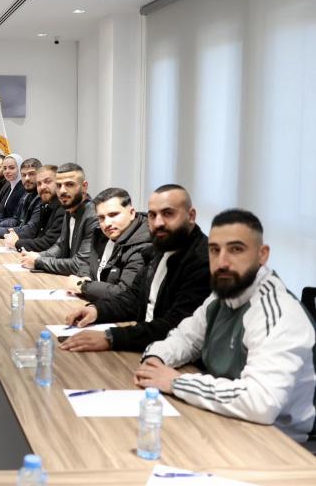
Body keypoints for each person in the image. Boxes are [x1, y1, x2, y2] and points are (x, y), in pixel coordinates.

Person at [135, 209, 315, 443]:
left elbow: (262, 402)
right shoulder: (223, 296)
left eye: (236, 249)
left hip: (279, 443)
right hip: (227, 420)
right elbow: (186, 337)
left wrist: (176, 382)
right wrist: (156, 359)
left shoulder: (277, 312)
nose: (222, 262)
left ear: (262, 255)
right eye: (214, 250)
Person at [60, 184, 210, 353]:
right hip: (146, 345)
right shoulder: (161, 247)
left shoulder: (202, 261)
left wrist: (111, 337)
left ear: (191, 216)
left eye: (168, 213)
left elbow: (176, 325)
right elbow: (132, 298)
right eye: (152, 215)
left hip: (171, 355)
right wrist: (97, 310)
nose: (158, 222)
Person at [63, 188, 152, 302]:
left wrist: (83, 286)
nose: (107, 223)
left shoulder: (143, 245)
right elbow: (87, 264)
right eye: (101, 218)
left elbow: (125, 293)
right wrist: (85, 277)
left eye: (113, 215)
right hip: (96, 304)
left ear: (131, 213)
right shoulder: (100, 235)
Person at [19, 162, 97, 277]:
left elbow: (81, 264)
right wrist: (37, 256)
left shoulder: (94, 217)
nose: (62, 191)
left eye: (69, 184)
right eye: (59, 185)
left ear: (84, 187)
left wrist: (38, 261)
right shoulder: (69, 209)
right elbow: (60, 246)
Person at [4, 165, 65, 252]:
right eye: (39, 183)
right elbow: (39, 237)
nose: (42, 187)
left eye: (47, 182)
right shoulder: (45, 205)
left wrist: (17, 242)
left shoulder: (63, 208)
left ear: (59, 184)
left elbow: (48, 243)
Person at [0, 158, 40, 237]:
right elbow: (16, 220)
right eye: (23, 175)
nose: (27, 178)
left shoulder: (40, 198)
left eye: (31, 174)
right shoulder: (27, 195)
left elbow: (30, 231)